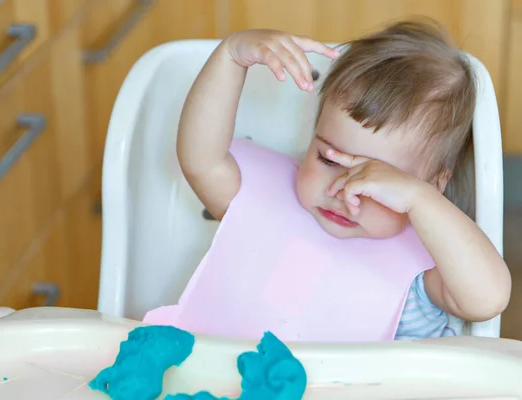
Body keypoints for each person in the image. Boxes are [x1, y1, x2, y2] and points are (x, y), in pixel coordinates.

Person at [144, 20, 511, 341]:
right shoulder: (266, 205)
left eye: (379, 182)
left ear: (432, 186)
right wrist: (231, 58)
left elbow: (488, 300)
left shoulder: (424, 269)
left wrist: (419, 201)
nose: (343, 192)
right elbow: (200, 160)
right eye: (328, 158)